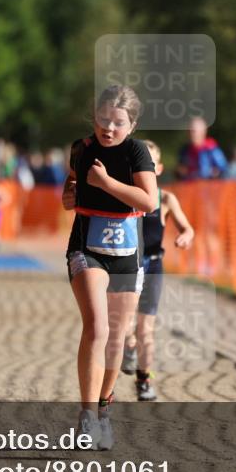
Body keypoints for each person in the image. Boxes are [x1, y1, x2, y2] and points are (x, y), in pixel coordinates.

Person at [62, 85, 157, 450]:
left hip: (127, 252)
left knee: (117, 336)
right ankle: (86, 418)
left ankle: (103, 409)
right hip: (87, 247)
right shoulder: (81, 149)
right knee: (97, 327)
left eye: (118, 122)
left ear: (131, 124)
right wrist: (69, 196)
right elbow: (69, 187)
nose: (109, 128)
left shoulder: (137, 152)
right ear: (94, 117)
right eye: (103, 119)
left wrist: (106, 183)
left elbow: (149, 201)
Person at [121, 141, 195, 401]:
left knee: (146, 327)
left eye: (150, 164)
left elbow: (188, 227)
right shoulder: (124, 195)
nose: (145, 168)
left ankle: (144, 379)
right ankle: (128, 347)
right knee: (125, 326)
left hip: (153, 265)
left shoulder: (165, 199)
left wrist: (186, 236)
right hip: (127, 265)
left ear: (159, 169)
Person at [176, 117, 227, 277]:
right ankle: (198, 265)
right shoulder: (185, 150)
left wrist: (211, 178)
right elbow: (180, 170)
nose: (193, 134)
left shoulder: (211, 149)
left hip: (208, 198)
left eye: (196, 130)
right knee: (193, 230)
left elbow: (223, 170)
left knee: (209, 231)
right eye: (190, 130)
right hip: (190, 197)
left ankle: (212, 267)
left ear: (203, 131)